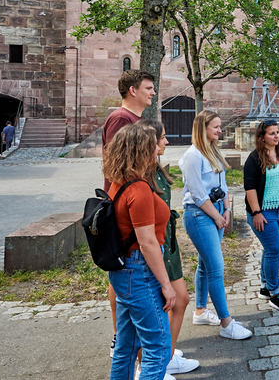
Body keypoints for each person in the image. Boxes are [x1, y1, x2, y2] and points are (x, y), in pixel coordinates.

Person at [104, 123, 175, 380]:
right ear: (140, 151)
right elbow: (147, 243)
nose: (157, 149)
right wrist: (166, 285)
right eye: (151, 146)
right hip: (140, 273)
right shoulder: (139, 190)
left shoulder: (119, 182)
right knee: (158, 349)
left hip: (124, 274)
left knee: (126, 348)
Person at [179, 110, 252, 339]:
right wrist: (218, 216)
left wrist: (227, 209)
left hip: (217, 212)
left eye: (220, 126)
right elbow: (198, 195)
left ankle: (200, 311)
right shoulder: (193, 156)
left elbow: (224, 185)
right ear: (203, 128)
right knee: (216, 268)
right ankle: (226, 323)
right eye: (216, 127)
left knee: (205, 265)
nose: (220, 130)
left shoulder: (212, 150)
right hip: (200, 216)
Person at [138, 119, 201, 375]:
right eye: (162, 138)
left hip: (169, 244)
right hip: (156, 247)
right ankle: (150, 365)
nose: (166, 141)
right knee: (159, 308)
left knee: (182, 299)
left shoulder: (157, 168)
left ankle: (167, 356)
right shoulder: (143, 175)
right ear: (150, 142)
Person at [102, 69, 156, 358]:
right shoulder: (120, 119)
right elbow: (117, 164)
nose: (153, 92)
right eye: (148, 87)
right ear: (132, 90)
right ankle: (119, 338)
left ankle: (133, 343)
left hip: (137, 201)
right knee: (122, 269)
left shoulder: (137, 120)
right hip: (125, 206)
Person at [243, 119, 279, 312]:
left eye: (277, 132)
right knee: (274, 249)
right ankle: (275, 294)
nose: (276, 136)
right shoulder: (254, 158)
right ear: (262, 137)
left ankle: (265, 286)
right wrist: (256, 212)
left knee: (270, 248)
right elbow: (249, 188)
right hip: (263, 212)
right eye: (271, 133)